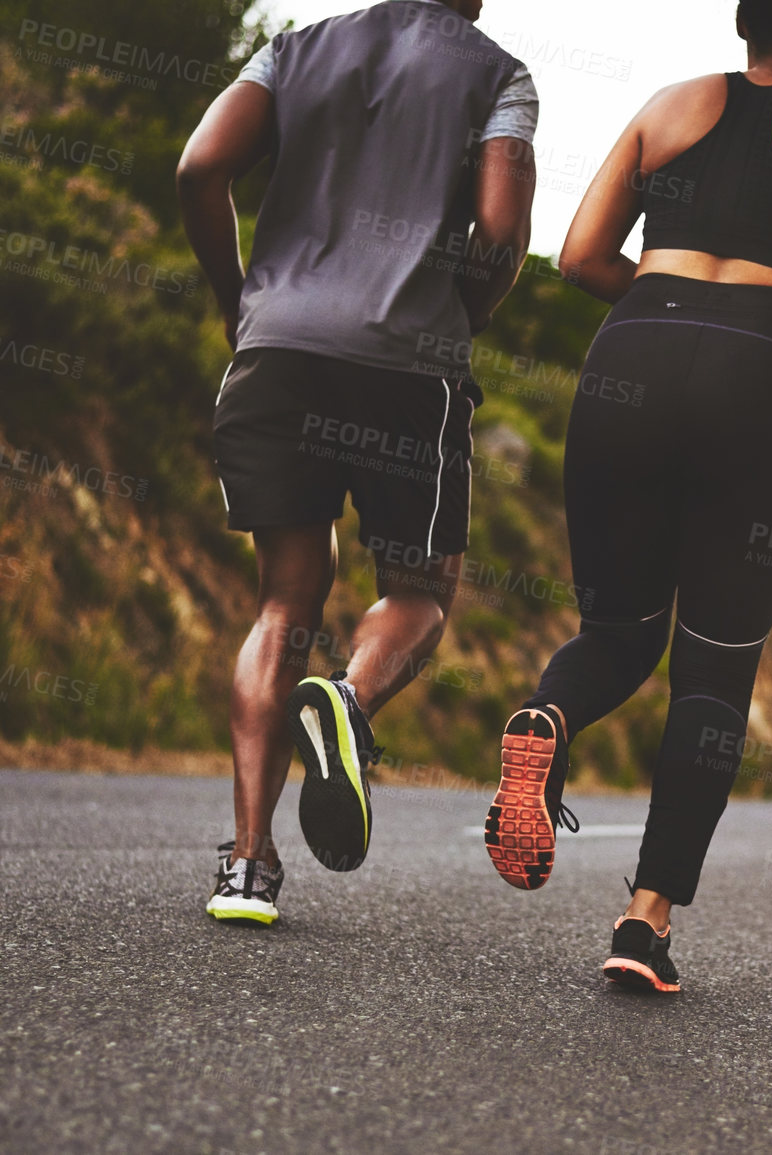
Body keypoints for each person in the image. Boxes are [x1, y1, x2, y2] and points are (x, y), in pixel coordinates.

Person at [484, 0, 772, 993]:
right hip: (761, 362)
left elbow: (581, 256)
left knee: (619, 629)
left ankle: (547, 715)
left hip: (635, 347)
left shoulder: (668, 106)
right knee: (713, 665)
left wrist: (668, 300)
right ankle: (644, 923)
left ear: (742, 23)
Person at [177, 0, 538, 925]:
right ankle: (345, 698)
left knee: (281, 602)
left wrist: (239, 298)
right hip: (408, 365)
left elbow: (200, 164)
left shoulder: (294, 47)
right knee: (421, 587)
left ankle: (248, 867)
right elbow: (498, 231)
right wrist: (464, 315)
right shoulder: (497, 76)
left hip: (277, 349)